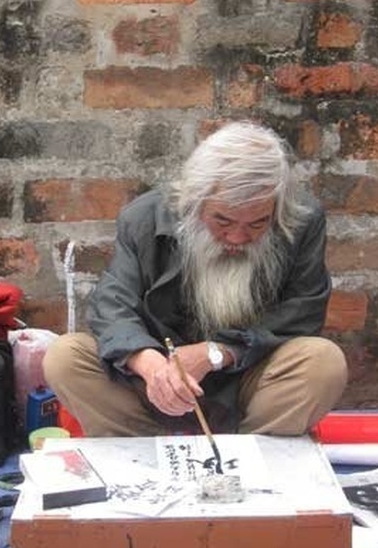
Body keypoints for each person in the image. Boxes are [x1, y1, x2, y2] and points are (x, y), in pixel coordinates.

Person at [43, 121, 347, 437]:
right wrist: (151, 366)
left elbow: (303, 313)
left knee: (323, 362)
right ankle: (142, 460)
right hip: (153, 385)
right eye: (222, 220)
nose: (238, 237)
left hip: (249, 381)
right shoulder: (143, 217)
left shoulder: (301, 221)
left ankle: (255, 463)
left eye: (258, 224)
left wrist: (216, 353)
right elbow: (113, 305)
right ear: (194, 201)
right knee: (66, 357)